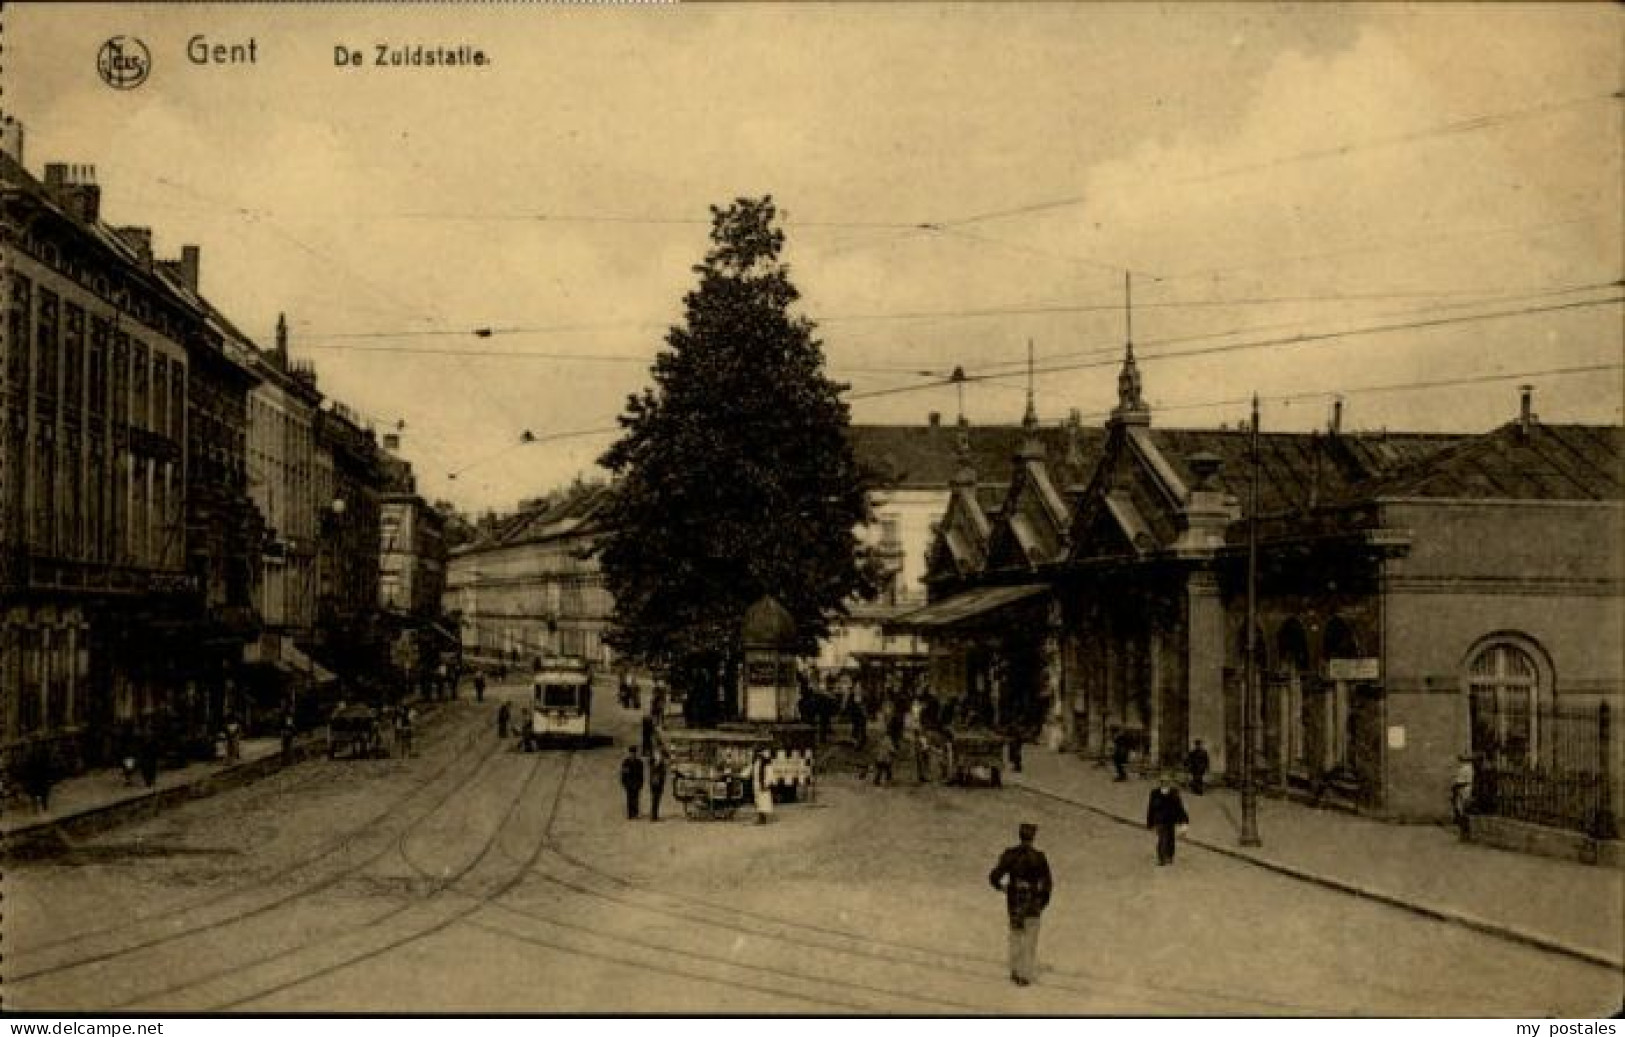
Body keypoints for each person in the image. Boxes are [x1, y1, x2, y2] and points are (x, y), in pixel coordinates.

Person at [989, 822, 1053, 987]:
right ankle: (1025, 974)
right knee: (1030, 938)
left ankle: (1015, 970)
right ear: (1033, 837)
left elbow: (994, 876)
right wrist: (1042, 902)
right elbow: (1048, 884)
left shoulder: (1010, 854)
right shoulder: (1039, 857)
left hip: (1015, 900)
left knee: (1016, 934)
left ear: (1020, 835)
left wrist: (1002, 888)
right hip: (1032, 901)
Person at [1146, 771, 1190, 866]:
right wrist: (1150, 823)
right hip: (1160, 820)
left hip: (1171, 820)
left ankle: (1169, 856)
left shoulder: (1174, 793)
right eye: (1162, 781)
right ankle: (1161, 858)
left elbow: (1179, 807)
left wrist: (1184, 821)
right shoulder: (1155, 793)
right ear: (1160, 782)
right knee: (1162, 839)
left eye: (1166, 781)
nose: (1164, 783)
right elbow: (1151, 808)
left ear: (1169, 782)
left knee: (1170, 839)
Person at [1451, 753, 1475, 840]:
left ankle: (1465, 833)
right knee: (1462, 811)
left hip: (1464, 790)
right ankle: (1464, 833)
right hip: (1463, 789)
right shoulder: (1467, 767)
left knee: (1462, 812)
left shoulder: (1466, 768)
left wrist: (1455, 787)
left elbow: (1460, 782)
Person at [619, 747, 644, 819]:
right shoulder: (626, 762)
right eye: (631, 753)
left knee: (636, 799)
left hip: (636, 783)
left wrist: (640, 784)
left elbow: (641, 775)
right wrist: (624, 783)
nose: (632, 755)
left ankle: (635, 813)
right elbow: (624, 774)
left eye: (634, 753)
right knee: (629, 799)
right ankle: (630, 814)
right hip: (629, 784)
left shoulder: (639, 763)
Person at [752, 749, 775, 825]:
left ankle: (763, 819)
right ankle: (760, 817)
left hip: (763, 785)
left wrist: (766, 784)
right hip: (757, 784)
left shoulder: (767, 764)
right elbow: (751, 771)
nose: (759, 756)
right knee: (758, 801)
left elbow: (770, 775)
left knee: (764, 802)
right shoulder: (756, 762)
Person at [648, 749, 668, 822]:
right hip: (655, 783)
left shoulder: (661, 763)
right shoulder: (654, 762)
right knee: (655, 799)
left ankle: (655, 815)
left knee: (657, 799)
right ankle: (654, 816)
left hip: (659, 782)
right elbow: (653, 771)